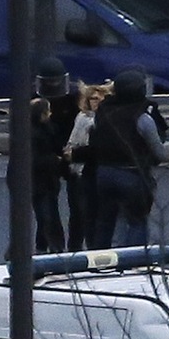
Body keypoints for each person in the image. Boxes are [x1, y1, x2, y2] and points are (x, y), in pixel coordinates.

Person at [89, 69, 166, 248]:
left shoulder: (103, 111)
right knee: (137, 221)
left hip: (103, 172)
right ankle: (133, 264)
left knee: (105, 221)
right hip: (132, 173)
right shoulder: (142, 116)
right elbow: (159, 152)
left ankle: (99, 262)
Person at [34, 56, 88, 251]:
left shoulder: (74, 96)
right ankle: (49, 244)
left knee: (78, 206)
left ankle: (74, 246)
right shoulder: (35, 98)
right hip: (51, 152)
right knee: (47, 207)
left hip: (69, 149)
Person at [64, 82, 113, 248]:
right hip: (78, 171)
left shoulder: (104, 120)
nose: (96, 102)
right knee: (78, 215)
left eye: (100, 98)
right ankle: (74, 250)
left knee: (91, 215)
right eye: (93, 98)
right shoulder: (82, 118)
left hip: (91, 170)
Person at [28, 98, 66, 253]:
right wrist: (55, 160)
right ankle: (53, 248)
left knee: (46, 216)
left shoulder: (44, 129)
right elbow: (33, 160)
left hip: (47, 180)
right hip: (40, 182)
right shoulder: (34, 134)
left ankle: (43, 248)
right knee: (47, 216)